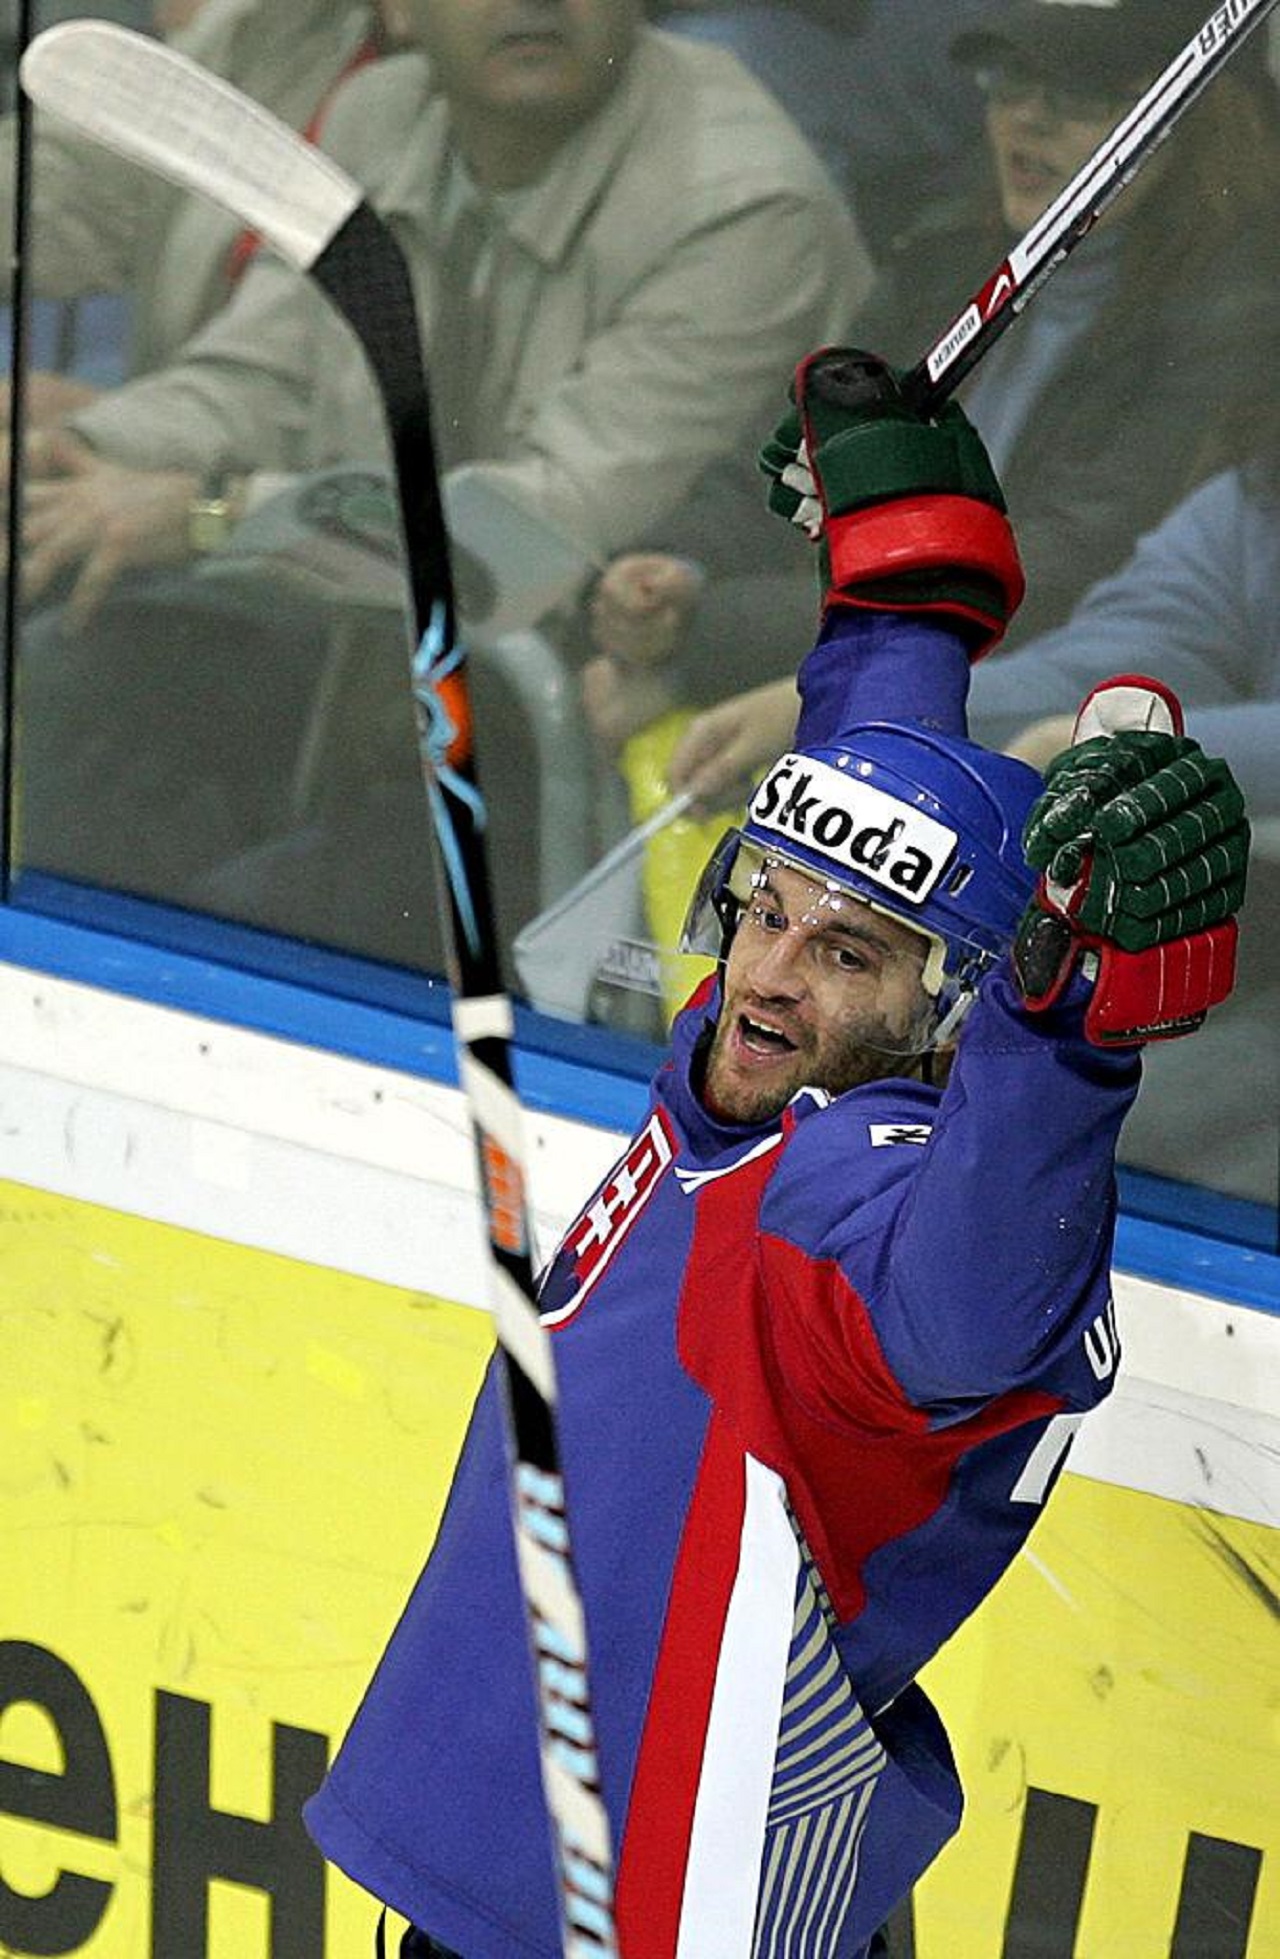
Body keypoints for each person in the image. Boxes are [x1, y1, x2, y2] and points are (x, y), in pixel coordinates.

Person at [301, 350, 1250, 1956]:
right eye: (761, 908)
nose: (767, 970)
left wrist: (1069, 1029)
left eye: (846, 951)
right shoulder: (754, 1070)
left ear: (958, 1014)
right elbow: (867, 828)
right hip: (538, 1883)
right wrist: (907, 591)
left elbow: (969, 1283)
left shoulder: (861, 1206)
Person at [12, 0, 866, 970]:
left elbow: (533, 536)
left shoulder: (744, 201)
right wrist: (69, 456)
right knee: (81, 690)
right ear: (399, 9)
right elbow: (269, 378)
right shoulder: (380, 113)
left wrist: (213, 517)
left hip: (597, 742)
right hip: (381, 663)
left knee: (230, 940)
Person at [581, 0, 1280, 755]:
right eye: (1009, 81)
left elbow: (1052, 573)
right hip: (859, 676)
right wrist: (671, 573)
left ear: (1194, 132)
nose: (1029, 121)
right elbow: (796, 454)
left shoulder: (1233, 320)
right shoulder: (944, 255)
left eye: (1082, 97)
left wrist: (704, 635)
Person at [0, 0, 388, 421]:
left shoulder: (408, 102)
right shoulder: (263, 32)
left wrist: (115, 433)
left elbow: (303, 391)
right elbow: (83, 181)